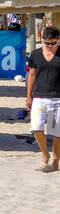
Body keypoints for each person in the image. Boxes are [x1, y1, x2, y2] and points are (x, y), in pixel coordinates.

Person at [26, 25, 60, 172]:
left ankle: (56, 160)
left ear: (58, 40)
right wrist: (29, 95)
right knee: (36, 127)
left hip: (57, 98)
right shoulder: (35, 54)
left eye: (54, 43)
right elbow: (31, 76)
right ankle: (45, 155)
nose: (50, 46)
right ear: (43, 40)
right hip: (39, 96)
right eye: (47, 43)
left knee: (56, 131)